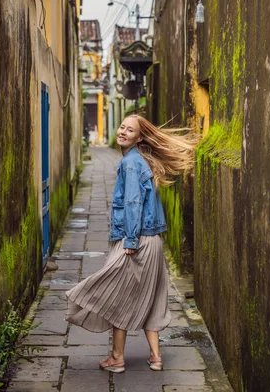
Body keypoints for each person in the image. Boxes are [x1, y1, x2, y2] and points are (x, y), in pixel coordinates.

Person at [65, 114, 200, 373]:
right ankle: (156, 357)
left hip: (136, 241)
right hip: (153, 242)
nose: (123, 132)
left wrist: (129, 239)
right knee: (152, 297)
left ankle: (117, 358)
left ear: (139, 137)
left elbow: (132, 202)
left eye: (130, 130)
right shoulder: (139, 160)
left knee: (118, 297)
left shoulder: (130, 163)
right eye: (122, 127)